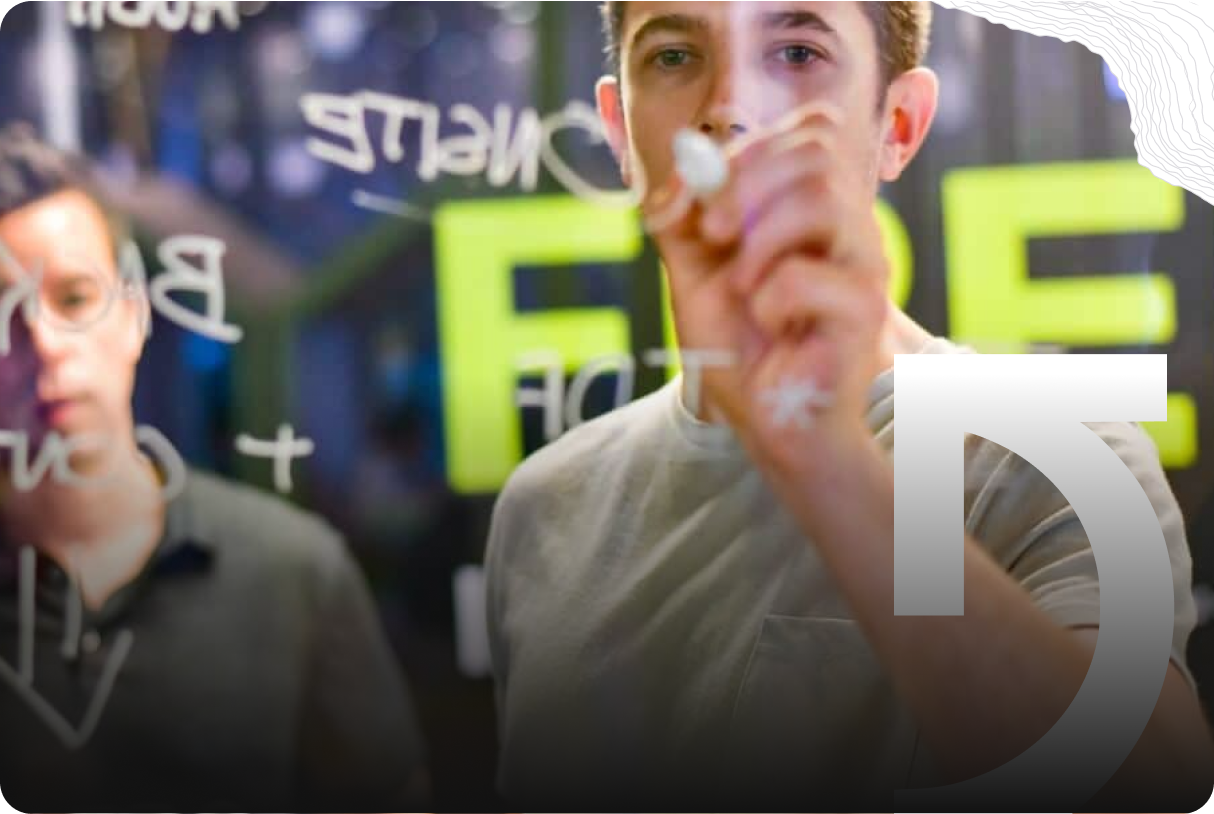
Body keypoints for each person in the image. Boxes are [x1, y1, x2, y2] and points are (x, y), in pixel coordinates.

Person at [484, 1, 1214, 810]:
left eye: (797, 53)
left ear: (898, 124)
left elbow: (1152, 785)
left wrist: (823, 459)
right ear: (621, 132)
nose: (728, 108)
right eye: (674, 57)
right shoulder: (544, 504)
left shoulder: (1043, 446)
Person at [0, 124, 430, 811]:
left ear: (133, 315)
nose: (47, 345)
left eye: (75, 299)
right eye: (5, 309)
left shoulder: (293, 575)